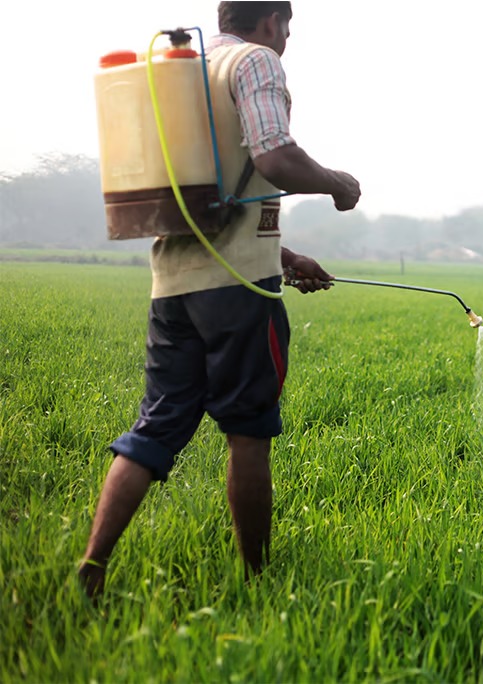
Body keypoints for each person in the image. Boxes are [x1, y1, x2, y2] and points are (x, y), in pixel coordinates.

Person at [78, 1, 359, 598]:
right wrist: (338, 183)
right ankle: (257, 582)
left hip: (172, 290)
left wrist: (286, 256)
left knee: (153, 430)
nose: (286, 37)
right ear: (273, 22)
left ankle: (95, 563)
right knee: (249, 433)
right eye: (287, 26)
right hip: (237, 295)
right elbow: (273, 156)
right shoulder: (256, 61)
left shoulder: (180, 73)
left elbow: (212, 195)